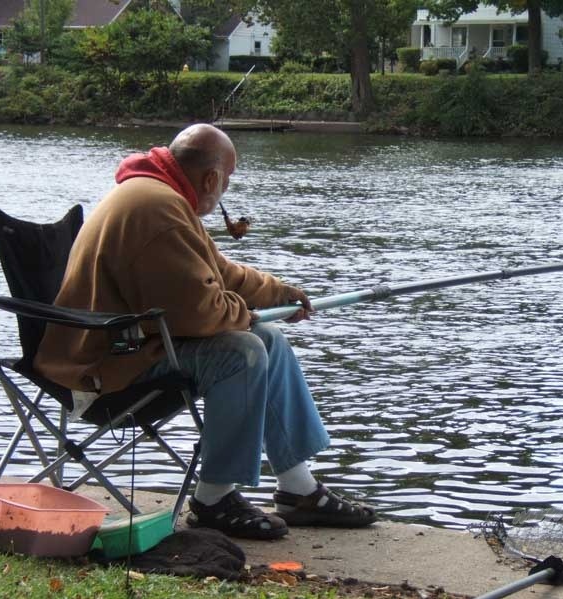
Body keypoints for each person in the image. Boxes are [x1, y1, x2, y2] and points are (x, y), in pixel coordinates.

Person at [34, 123, 376, 540]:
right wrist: (251, 315)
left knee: (269, 340)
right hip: (103, 367)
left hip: (133, 344)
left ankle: (297, 489)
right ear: (212, 177)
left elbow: (221, 273)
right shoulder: (159, 211)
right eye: (228, 180)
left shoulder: (161, 194)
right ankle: (213, 499)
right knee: (243, 351)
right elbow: (200, 313)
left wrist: (276, 294)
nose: (225, 191)